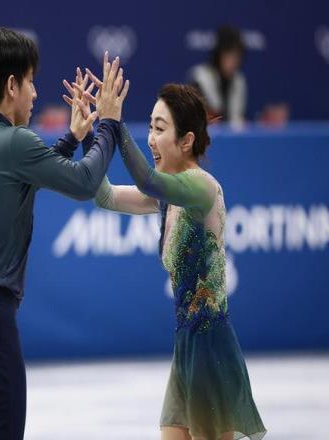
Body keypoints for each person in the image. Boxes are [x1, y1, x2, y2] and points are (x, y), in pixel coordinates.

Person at [0, 27, 129, 440]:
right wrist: (108, 124)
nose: (36, 93)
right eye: (31, 82)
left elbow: (19, 182)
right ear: (11, 86)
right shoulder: (15, 142)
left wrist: (73, 139)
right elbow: (84, 183)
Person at [69, 72, 266, 439]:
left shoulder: (202, 187)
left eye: (160, 129)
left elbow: (146, 180)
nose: (151, 139)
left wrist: (114, 123)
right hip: (186, 346)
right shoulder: (165, 196)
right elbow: (104, 196)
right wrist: (89, 136)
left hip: (211, 348)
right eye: (150, 127)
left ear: (187, 140)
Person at [187, 26, 246, 124]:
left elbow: (238, 118)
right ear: (218, 55)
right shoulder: (199, 78)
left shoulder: (238, 80)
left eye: (236, 57)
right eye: (228, 56)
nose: (233, 62)